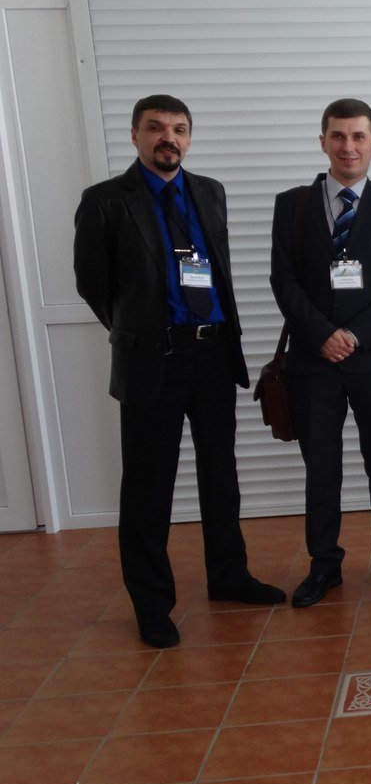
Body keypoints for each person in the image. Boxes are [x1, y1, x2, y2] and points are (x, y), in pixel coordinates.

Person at [73, 94, 285, 649]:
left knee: (221, 475)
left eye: (179, 128)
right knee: (149, 487)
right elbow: (94, 285)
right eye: (156, 128)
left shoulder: (209, 191)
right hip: (154, 360)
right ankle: (152, 604)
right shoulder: (105, 201)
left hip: (213, 353)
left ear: (189, 138)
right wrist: (142, 334)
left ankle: (229, 575)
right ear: (136, 135)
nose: (169, 137)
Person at [270, 98, 371, 607]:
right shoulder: (291, 205)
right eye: (338, 136)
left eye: (358, 136)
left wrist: (354, 335)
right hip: (313, 362)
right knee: (322, 468)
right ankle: (324, 565)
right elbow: (284, 281)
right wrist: (323, 335)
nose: (348, 146)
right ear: (323, 142)